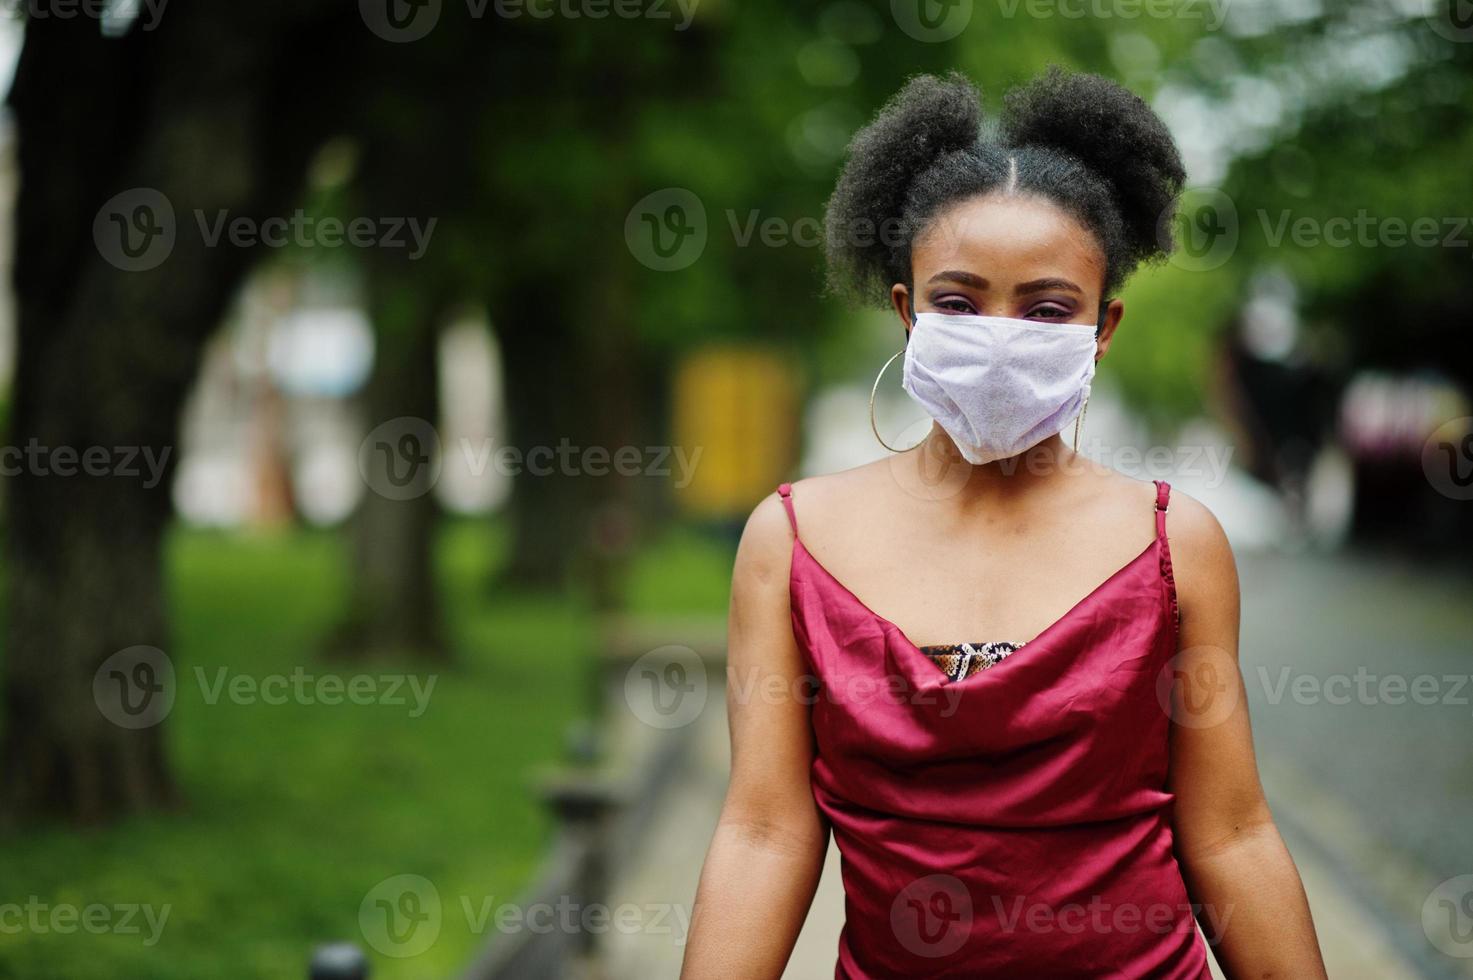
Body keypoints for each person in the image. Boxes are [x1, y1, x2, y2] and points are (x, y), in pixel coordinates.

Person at [680, 67, 1327, 978]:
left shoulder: (1177, 544)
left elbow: (1227, 832)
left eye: (1045, 308)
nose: (998, 333)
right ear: (906, 312)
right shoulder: (789, 541)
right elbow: (762, 830)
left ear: (1101, 329)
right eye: (958, 300)